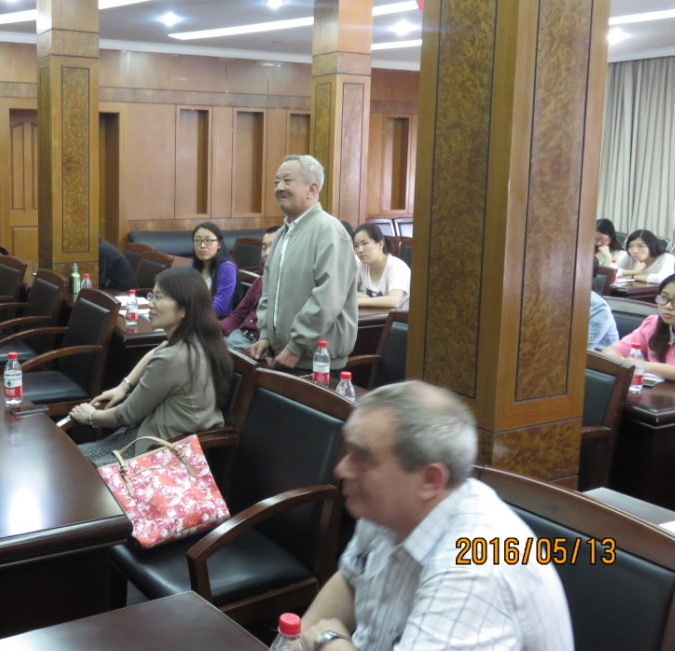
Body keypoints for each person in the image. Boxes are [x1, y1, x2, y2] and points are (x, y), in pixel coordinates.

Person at [300, 381, 573, 651]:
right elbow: (352, 577)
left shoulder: (473, 571)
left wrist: (329, 643)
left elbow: (326, 636)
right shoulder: (386, 508)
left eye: (362, 457)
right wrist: (294, 641)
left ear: (429, 480)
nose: (342, 469)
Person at [69, 267, 231, 466]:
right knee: (70, 458)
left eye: (159, 297)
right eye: (152, 296)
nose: (151, 304)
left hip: (159, 454)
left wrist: (91, 416)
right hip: (159, 436)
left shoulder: (173, 358)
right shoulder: (199, 339)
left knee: (71, 464)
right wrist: (124, 385)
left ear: (184, 309)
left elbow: (126, 415)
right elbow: (155, 352)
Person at [248, 155, 358, 370]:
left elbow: (327, 298)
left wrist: (296, 345)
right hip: (281, 354)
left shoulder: (329, 231)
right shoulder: (282, 234)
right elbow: (269, 291)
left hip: (317, 360)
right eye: (276, 181)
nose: (279, 188)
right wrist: (265, 335)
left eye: (287, 181)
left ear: (312, 188)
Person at [602, 274, 675, 380]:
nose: (668, 306)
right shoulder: (653, 325)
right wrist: (617, 358)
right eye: (664, 297)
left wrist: (645, 366)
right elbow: (612, 350)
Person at [219, 226, 280, 350]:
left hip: (257, 347)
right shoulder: (260, 282)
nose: (267, 253)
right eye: (264, 247)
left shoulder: (294, 287)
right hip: (238, 336)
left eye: (274, 246)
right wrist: (209, 329)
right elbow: (238, 316)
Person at [352, 223, 411, 310]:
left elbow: (394, 301)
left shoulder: (396, 267)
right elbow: (345, 290)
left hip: (398, 317)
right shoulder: (362, 265)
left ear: (380, 244)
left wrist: (356, 301)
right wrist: (364, 297)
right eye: (356, 246)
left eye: (365, 243)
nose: (360, 250)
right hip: (376, 314)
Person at [191, 222, 237, 318]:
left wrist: (189, 315)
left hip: (217, 321)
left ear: (219, 244)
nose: (202, 245)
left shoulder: (227, 268)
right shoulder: (194, 266)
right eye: (197, 240)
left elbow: (219, 308)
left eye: (208, 240)